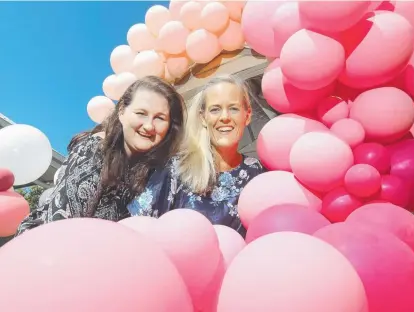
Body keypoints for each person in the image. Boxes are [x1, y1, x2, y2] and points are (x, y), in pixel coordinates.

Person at [16, 76, 185, 235]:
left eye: (160, 118)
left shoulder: (158, 173)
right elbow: (59, 227)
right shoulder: (94, 152)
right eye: (141, 113)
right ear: (121, 112)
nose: (149, 126)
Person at [128, 75, 265, 236]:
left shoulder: (257, 172)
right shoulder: (177, 169)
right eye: (215, 109)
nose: (225, 117)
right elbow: (136, 230)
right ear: (203, 117)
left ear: (247, 116)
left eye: (233, 108)